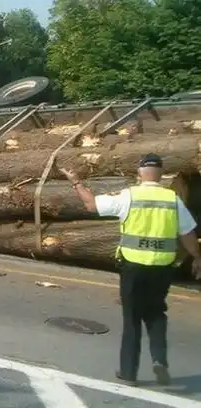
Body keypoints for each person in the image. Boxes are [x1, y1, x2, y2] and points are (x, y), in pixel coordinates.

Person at [60, 154, 201, 386]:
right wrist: (196, 257)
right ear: (161, 175)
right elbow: (187, 233)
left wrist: (75, 181)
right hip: (162, 267)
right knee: (156, 313)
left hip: (133, 266)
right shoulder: (172, 199)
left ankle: (129, 373)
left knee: (132, 319)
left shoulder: (130, 196)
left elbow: (91, 204)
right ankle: (159, 360)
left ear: (140, 173)